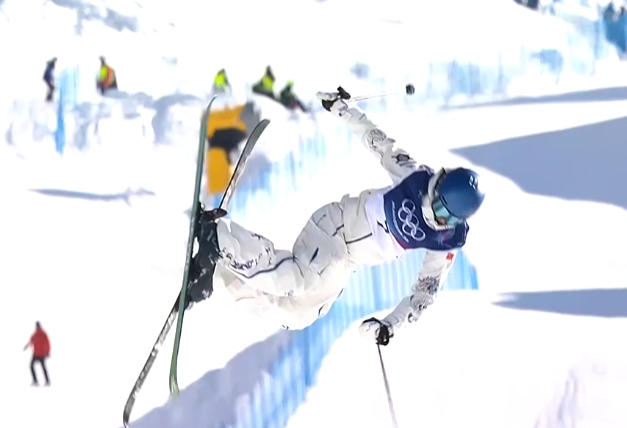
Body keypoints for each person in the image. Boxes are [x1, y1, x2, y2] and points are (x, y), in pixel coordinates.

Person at [187, 86, 484, 345]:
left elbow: (424, 293)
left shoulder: (446, 241)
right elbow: (378, 141)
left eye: (446, 216)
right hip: (335, 229)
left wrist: (390, 325)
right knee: (298, 279)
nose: (436, 215)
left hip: (347, 262)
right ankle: (219, 238)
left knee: (298, 314)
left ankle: (219, 271)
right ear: (439, 182)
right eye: (438, 203)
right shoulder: (415, 177)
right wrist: (343, 109)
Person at [23, 321, 51, 386]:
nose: (37, 327)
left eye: (38, 326)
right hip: (36, 354)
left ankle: (46, 381)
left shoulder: (43, 334)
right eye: (37, 326)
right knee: (33, 366)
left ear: (39, 326)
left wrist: (48, 352)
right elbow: (31, 341)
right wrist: (27, 346)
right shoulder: (35, 334)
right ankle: (37, 381)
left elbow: (47, 343)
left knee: (42, 367)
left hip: (41, 354)